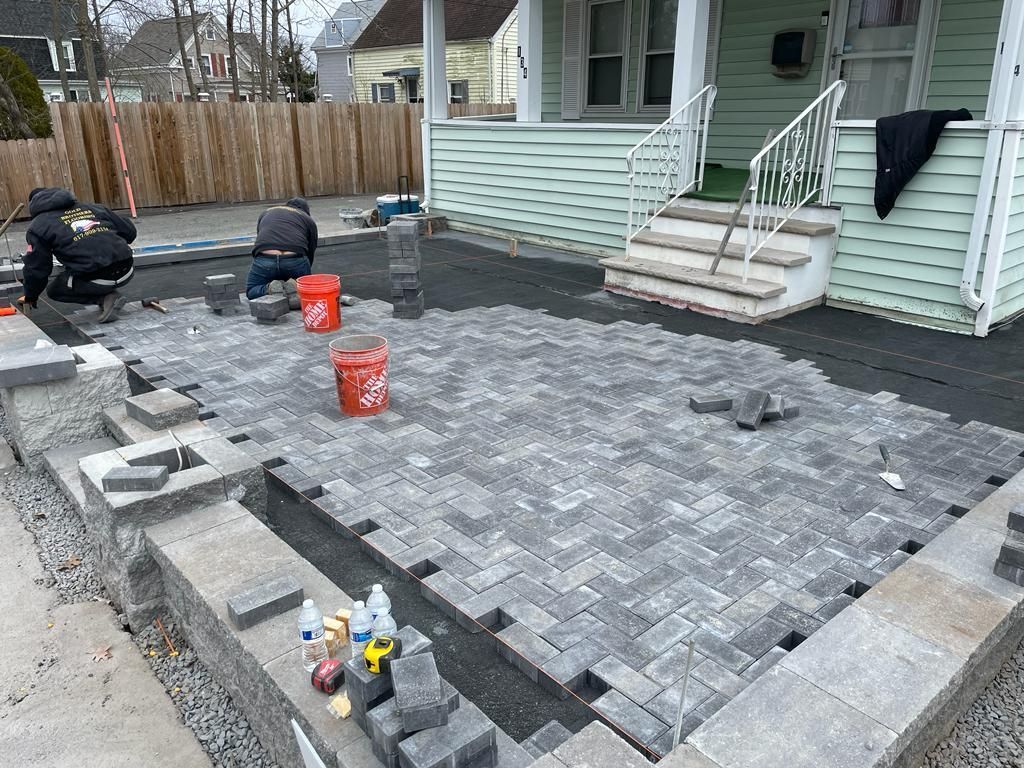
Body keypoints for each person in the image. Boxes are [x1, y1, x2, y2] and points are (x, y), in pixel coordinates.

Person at [19, 187, 136, 323]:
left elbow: (37, 268)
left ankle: (105, 298)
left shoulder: (38, 226)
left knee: (55, 290)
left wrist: (31, 295)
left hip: (98, 279)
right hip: (128, 269)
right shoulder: (93, 208)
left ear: (34, 205)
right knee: (80, 268)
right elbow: (130, 232)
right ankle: (107, 295)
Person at [247, 197, 319, 308]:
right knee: (306, 291)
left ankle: (269, 288)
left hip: (265, 257)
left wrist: (261, 263)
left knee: (252, 290)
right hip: (294, 257)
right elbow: (311, 249)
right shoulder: (307, 219)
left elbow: (261, 239)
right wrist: (304, 279)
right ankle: (294, 286)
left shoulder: (266, 212)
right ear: (306, 211)